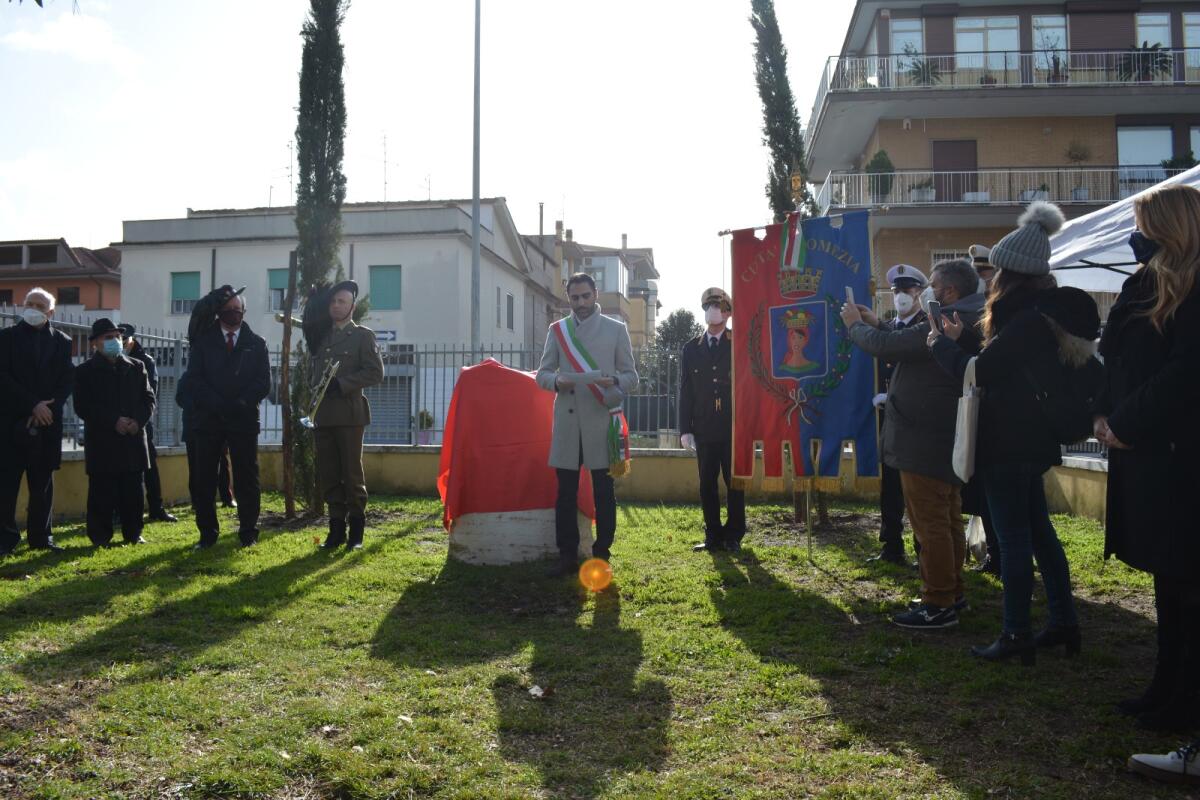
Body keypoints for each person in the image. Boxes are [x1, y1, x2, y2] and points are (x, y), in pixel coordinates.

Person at [929, 201, 1099, 665]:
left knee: (1015, 540)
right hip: (1032, 441)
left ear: (1011, 274)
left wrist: (942, 346)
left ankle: (1016, 632)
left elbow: (980, 372)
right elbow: (1002, 364)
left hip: (1006, 444)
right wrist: (963, 340)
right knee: (1040, 534)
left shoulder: (1023, 320)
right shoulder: (1043, 314)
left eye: (997, 271)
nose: (990, 278)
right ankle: (1063, 623)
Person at [1094, 184, 1200, 732]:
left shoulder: (1193, 286)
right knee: (1167, 578)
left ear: (1168, 229)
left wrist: (1126, 422)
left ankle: (1187, 699)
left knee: (1187, 581)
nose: (1135, 238)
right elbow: (1115, 359)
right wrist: (1101, 414)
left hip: (1178, 456)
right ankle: (1165, 685)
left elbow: (1186, 372)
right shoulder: (1143, 283)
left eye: (1142, 227)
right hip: (1144, 451)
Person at [842, 259, 984, 630]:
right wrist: (877, 322)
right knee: (947, 518)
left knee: (931, 524)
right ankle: (952, 591)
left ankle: (938, 602)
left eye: (931, 284)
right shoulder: (965, 315)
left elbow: (890, 346)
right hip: (940, 435)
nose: (925, 291)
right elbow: (901, 338)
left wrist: (855, 325)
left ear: (949, 291)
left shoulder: (944, 319)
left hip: (923, 439)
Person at [536, 273, 638, 577]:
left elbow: (631, 377)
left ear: (596, 294)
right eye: (574, 297)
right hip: (568, 423)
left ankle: (602, 555)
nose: (580, 302)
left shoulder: (616, 329)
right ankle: (566, 556)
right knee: (565, 494)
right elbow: (542, 374)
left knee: (604, 492)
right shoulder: (558, 330)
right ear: (568, 298)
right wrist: (557, 381)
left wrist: (614, 380)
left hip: (601, 420)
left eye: (585, 296)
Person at [182, 285, 271, 549]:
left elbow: (263, 383)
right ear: (219, 312)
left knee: (247, 478)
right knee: (204, 479)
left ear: (244, 311)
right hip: (209, 419)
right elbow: (194, 379)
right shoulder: (203, 341)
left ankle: (248, 532)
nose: (233, 313)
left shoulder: (257, 343)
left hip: (243, 419)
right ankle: (207, 534)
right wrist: (216, 402)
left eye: (237, 309)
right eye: (228, 309)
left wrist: (241, 402)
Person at [304, 281, 384, 551]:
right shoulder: (321, 336)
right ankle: (335, 530)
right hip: (323, 415)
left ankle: (356, 532)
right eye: (333, 301)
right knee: (329, 475)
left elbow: (375, 372)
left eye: (342, 301)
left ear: (352, 306)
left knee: (351, 474)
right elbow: (313, 374)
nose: (336, 306)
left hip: (350, 415)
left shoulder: (362, 336)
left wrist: (342, 384)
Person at [0, 288, 74, 555]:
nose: (32, 308)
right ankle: (5, 539)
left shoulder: (63, 341)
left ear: (50, 312)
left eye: (39, 306)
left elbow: (66, 379)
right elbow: (3, 377)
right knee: (6, 484)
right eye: (29, 303)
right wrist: (33, 404)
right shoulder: (6, 337)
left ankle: (41, 537)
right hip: (11, 422)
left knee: (42, 484)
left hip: (47, 423)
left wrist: (47, 407)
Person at [72, 319, 156, 547]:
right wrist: (112, 421)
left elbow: (149, 399)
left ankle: (134, 533)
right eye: (108, 337)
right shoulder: (84, 372)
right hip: (103, 442)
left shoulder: (137, 366)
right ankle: (100, 536)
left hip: (133, 439)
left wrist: (137, 421)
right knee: (101, 492)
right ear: (95, 343)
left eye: (117, 337)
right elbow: (82, 406)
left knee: (133, 492)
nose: (115, 341)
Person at [867, 264, 927, 566]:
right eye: (896, 290)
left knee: (918, 490)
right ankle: (891, 546)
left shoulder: (926, 325)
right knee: (890, 486)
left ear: (919, 292)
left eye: (908, 289)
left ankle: (924, 550)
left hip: (916, 421)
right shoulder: (888, 326)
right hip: (889, 420)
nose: (901, 295)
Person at [679, 287, 745, 553]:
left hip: (732, 427)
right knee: (707, 484)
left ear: (728, 313)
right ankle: (713, 535)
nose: (712, 311)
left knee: (734, 483)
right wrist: (685, 429)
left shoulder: (737, 342)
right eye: (708, 306)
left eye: (718, 306)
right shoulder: (691, 348)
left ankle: (734, 535)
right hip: (704, 426)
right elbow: (686, 390)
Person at [118, 323, 177, 523]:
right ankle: (119, 510)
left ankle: (156, 508)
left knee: (149, 467)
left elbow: (150, 392)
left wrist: (136, 418)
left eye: (124, 340)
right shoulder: (110, 361)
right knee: (120, 468)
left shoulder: (145, 361)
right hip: (118, 424)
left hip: (141, 422)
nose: (121, 344)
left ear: (131, 341)